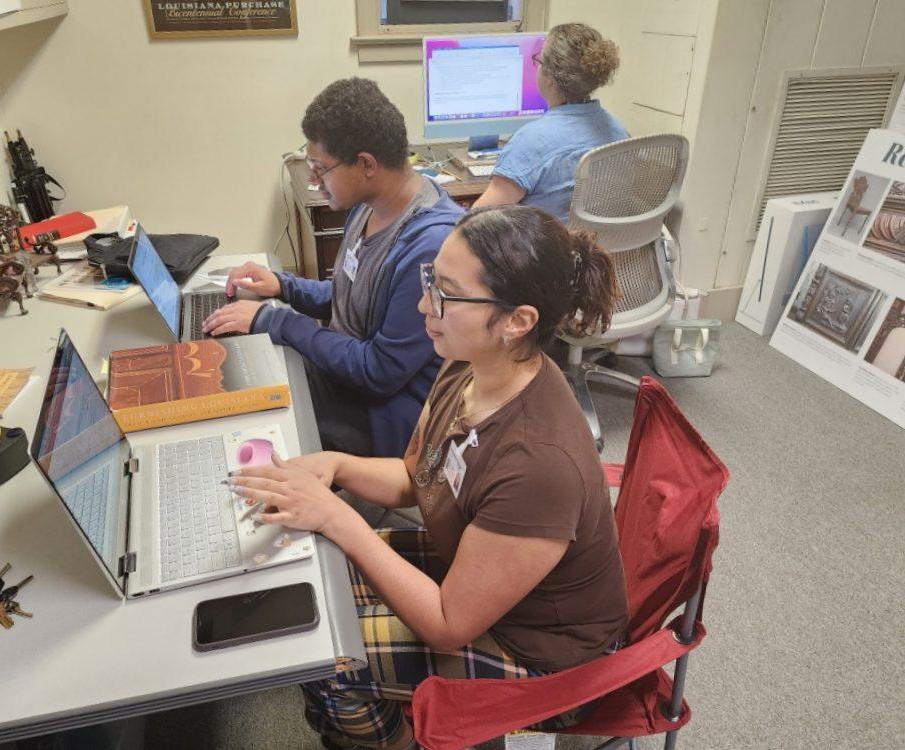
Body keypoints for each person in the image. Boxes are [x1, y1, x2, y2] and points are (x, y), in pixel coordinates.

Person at [229, 205, 629, 750]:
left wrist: (338, 516)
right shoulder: (467, 361)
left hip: (544, 656)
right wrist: (337, 467)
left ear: (518, 320)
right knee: (309, 581)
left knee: (325, 655)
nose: (424, 306)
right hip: (471, 571)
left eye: (445, 292)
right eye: (429, 281)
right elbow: (418, 476)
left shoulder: (539, 462)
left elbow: (448, 623)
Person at [203, 78, 464, 458]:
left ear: (366, 164)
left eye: (320, 168)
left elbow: (379, 371)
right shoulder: (369, 207)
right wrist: (283, 286)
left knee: (246, 414)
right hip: (352, 379)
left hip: (386, 414)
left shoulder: (429, 248)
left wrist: (274, 321)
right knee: (241, 371)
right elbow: (355, 298)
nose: (313, 180)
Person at [473, 23, 629, 224]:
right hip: (599, 252)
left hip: (549, 253)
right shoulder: (618, 130)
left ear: (551, 78)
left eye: (539, 60)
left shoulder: (532, 140)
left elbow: (476, 220)